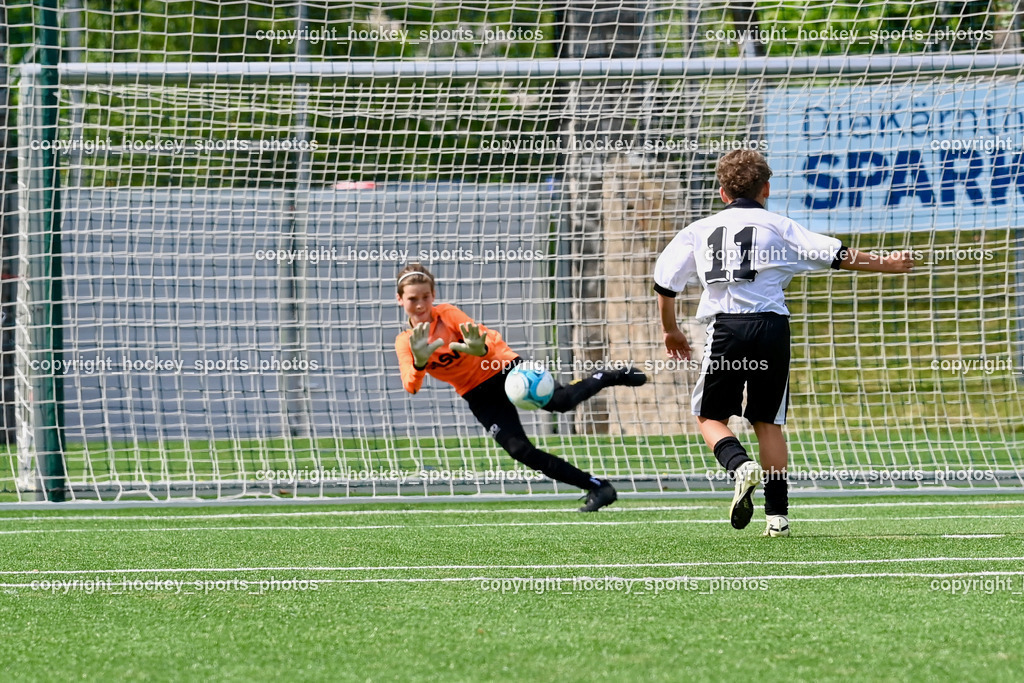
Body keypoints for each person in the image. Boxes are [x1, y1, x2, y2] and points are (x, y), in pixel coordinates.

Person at [653, 150, 914, 536]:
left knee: (709, 418)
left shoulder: (700, 230)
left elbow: (665, 282)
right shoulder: (779, 226)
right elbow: (838, 255)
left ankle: (740, 465)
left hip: (726, 329)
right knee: (768, 422)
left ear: (723, 193)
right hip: (772, 328)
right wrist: (888, 264)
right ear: (767, 189)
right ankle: (777, 517)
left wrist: (671, 330)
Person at [394, 263, 647, 511]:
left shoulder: (448, 315)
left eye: (425, 297)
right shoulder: (405, 342)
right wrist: (419, 362)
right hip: (476, 393)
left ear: (433, 295)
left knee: (562, 402)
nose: (420, 304)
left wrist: (479, 349)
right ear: (400, 300)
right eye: (412, 298)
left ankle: (608, 376)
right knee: (519, 450)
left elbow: (484, 342)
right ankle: (598, 487)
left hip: (503, 368)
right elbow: (411, 386)